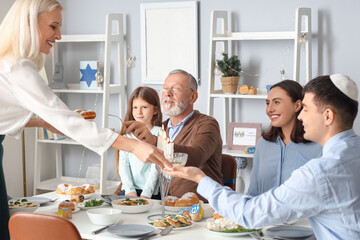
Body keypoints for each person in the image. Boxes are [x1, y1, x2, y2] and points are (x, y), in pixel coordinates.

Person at [0, 1, 169, 239]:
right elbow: (71, 122)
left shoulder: (8, 63)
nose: (59, 35)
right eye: (53, 26)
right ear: (29, 22)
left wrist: (41, 123)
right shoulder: (19, 69)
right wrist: (132, 145)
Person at [164, 74, 360, 239]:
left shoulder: (320, 172)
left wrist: (200, 178)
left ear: (327, 116)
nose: (301, 116)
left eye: (306, 109)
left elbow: (250, 213)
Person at [125, 69, 223, 202]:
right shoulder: (161, 128)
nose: (168, 94)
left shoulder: (207, 124)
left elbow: (197, 156)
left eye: (175, 89)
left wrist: (155, 142)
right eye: (165, 89)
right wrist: (118, 194)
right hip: (165, 206)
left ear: (192, 97)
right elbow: (142, 170)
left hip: (199, 207)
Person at [248, 80, 322, 196]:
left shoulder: (319, 146)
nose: (269, 109)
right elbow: (253, 192)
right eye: (267, 103)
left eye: (276, 102)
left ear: (297, 105)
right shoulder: (263, 143)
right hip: (263, 213)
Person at [115, 87, 162, 199]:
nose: (139, 112)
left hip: (151, 193)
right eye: (135, 107)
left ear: (155, 110)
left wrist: (146, 193)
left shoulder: (159, 134)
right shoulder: (127, 135)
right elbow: (124, 165)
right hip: (129, 190)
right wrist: (129, 190)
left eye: (144, 107)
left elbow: (156, 168)